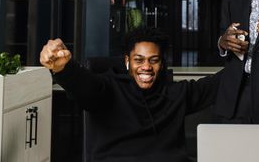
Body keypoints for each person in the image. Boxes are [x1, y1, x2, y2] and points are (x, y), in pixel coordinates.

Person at [40, 27, 220, 162]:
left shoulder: (177, 93)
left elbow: (219, 84)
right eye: (138, 60)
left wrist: (232, 49)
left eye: (154, 60)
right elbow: (86, 87)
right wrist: (63, 69)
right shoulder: (109, 88)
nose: (146, 67)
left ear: (162, 64)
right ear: (127, 61)